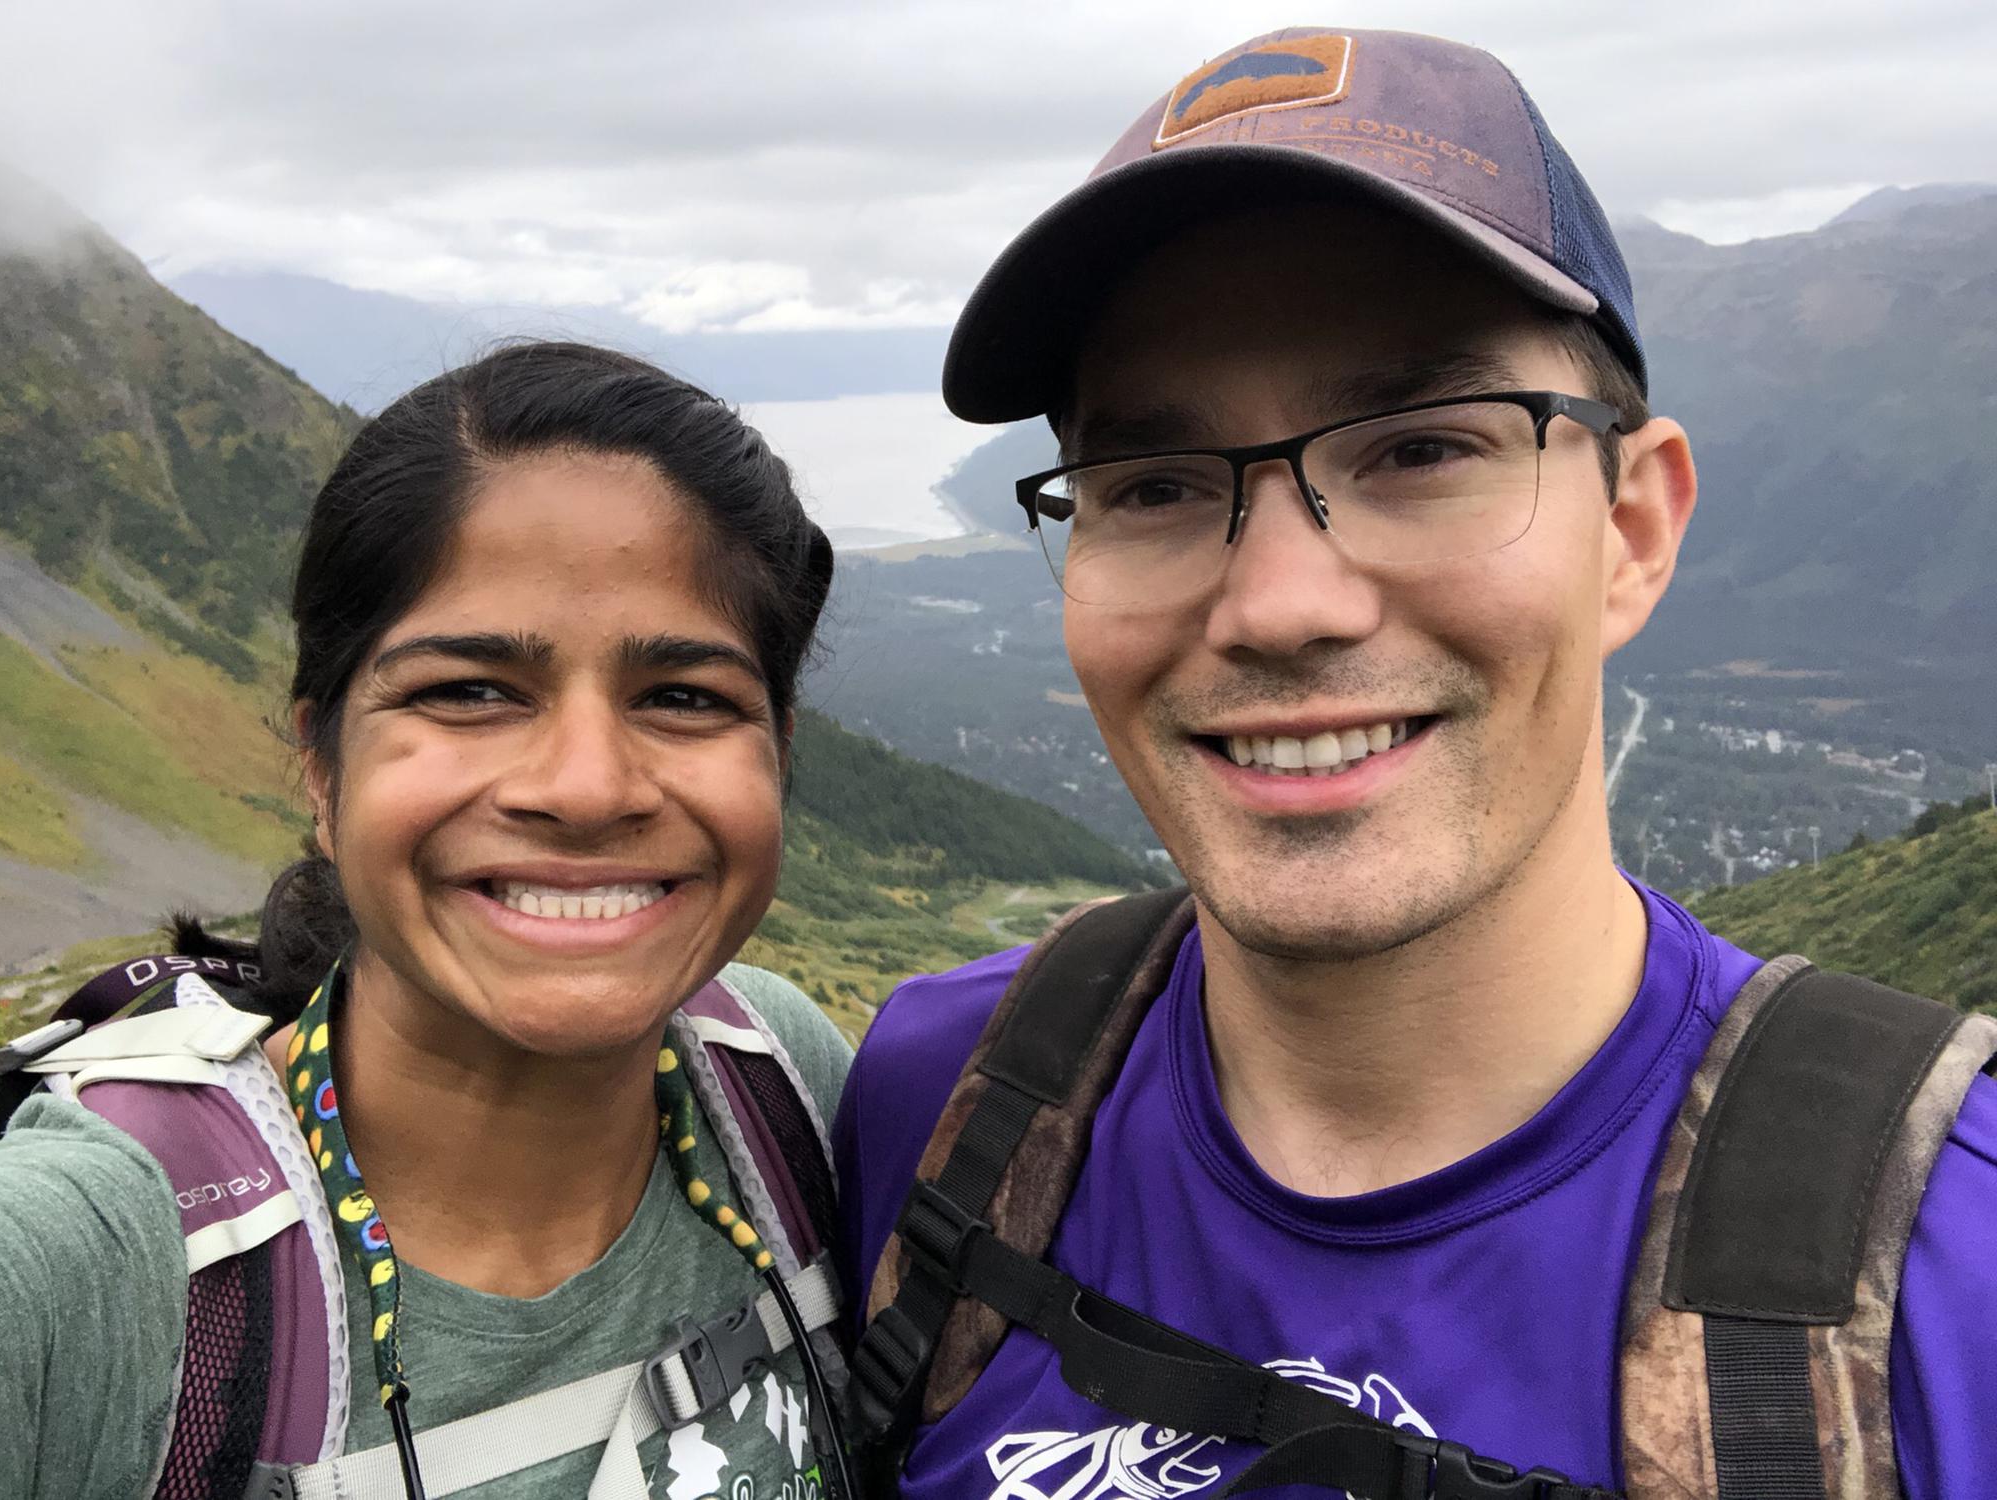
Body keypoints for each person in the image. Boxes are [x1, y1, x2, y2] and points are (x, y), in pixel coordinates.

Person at [835, 27, 1997, 1500]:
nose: (1280, 608)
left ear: (1634, 528)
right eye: (1158, 487)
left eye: (1423, 451)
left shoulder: (1959, 1269)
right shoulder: (944, 1104)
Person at [0, 342, 855, 1499]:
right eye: (469, 691)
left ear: (779, 753)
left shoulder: (776, 1076)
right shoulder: (97, 1261)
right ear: (318, 761)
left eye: (684, 697)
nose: (588, 786)